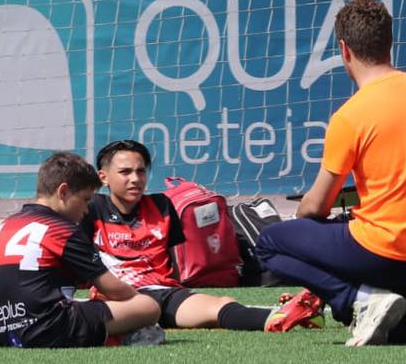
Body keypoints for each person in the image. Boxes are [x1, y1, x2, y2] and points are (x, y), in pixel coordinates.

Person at [256, 0, 406, 346]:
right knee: (393, 332)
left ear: (343, 49)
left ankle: (358, 300)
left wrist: (303, 222)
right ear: (391, 43)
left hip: (382, 253)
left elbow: (317, 206)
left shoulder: (351, 115)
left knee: (269, 244)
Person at [83, 140, 287, 333]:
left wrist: (173, 290)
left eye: (141, 171)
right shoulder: (91, 208)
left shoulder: (161, 204)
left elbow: (174, 265)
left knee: (220, 305)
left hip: (163, 294)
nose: (135, 179)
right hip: (116, 299)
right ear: (104, 177)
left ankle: (285, 316)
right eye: (125, 172)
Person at [0, 151, 162, 348]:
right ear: (63, 192)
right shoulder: (62, 229)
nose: (87, 209)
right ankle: (118, 337)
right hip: (46, 328)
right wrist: (137, 303)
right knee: (149, 307)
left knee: (84, 304)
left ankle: (107, 334)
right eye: (86, 199)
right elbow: (113, 289)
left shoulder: (8, 224)